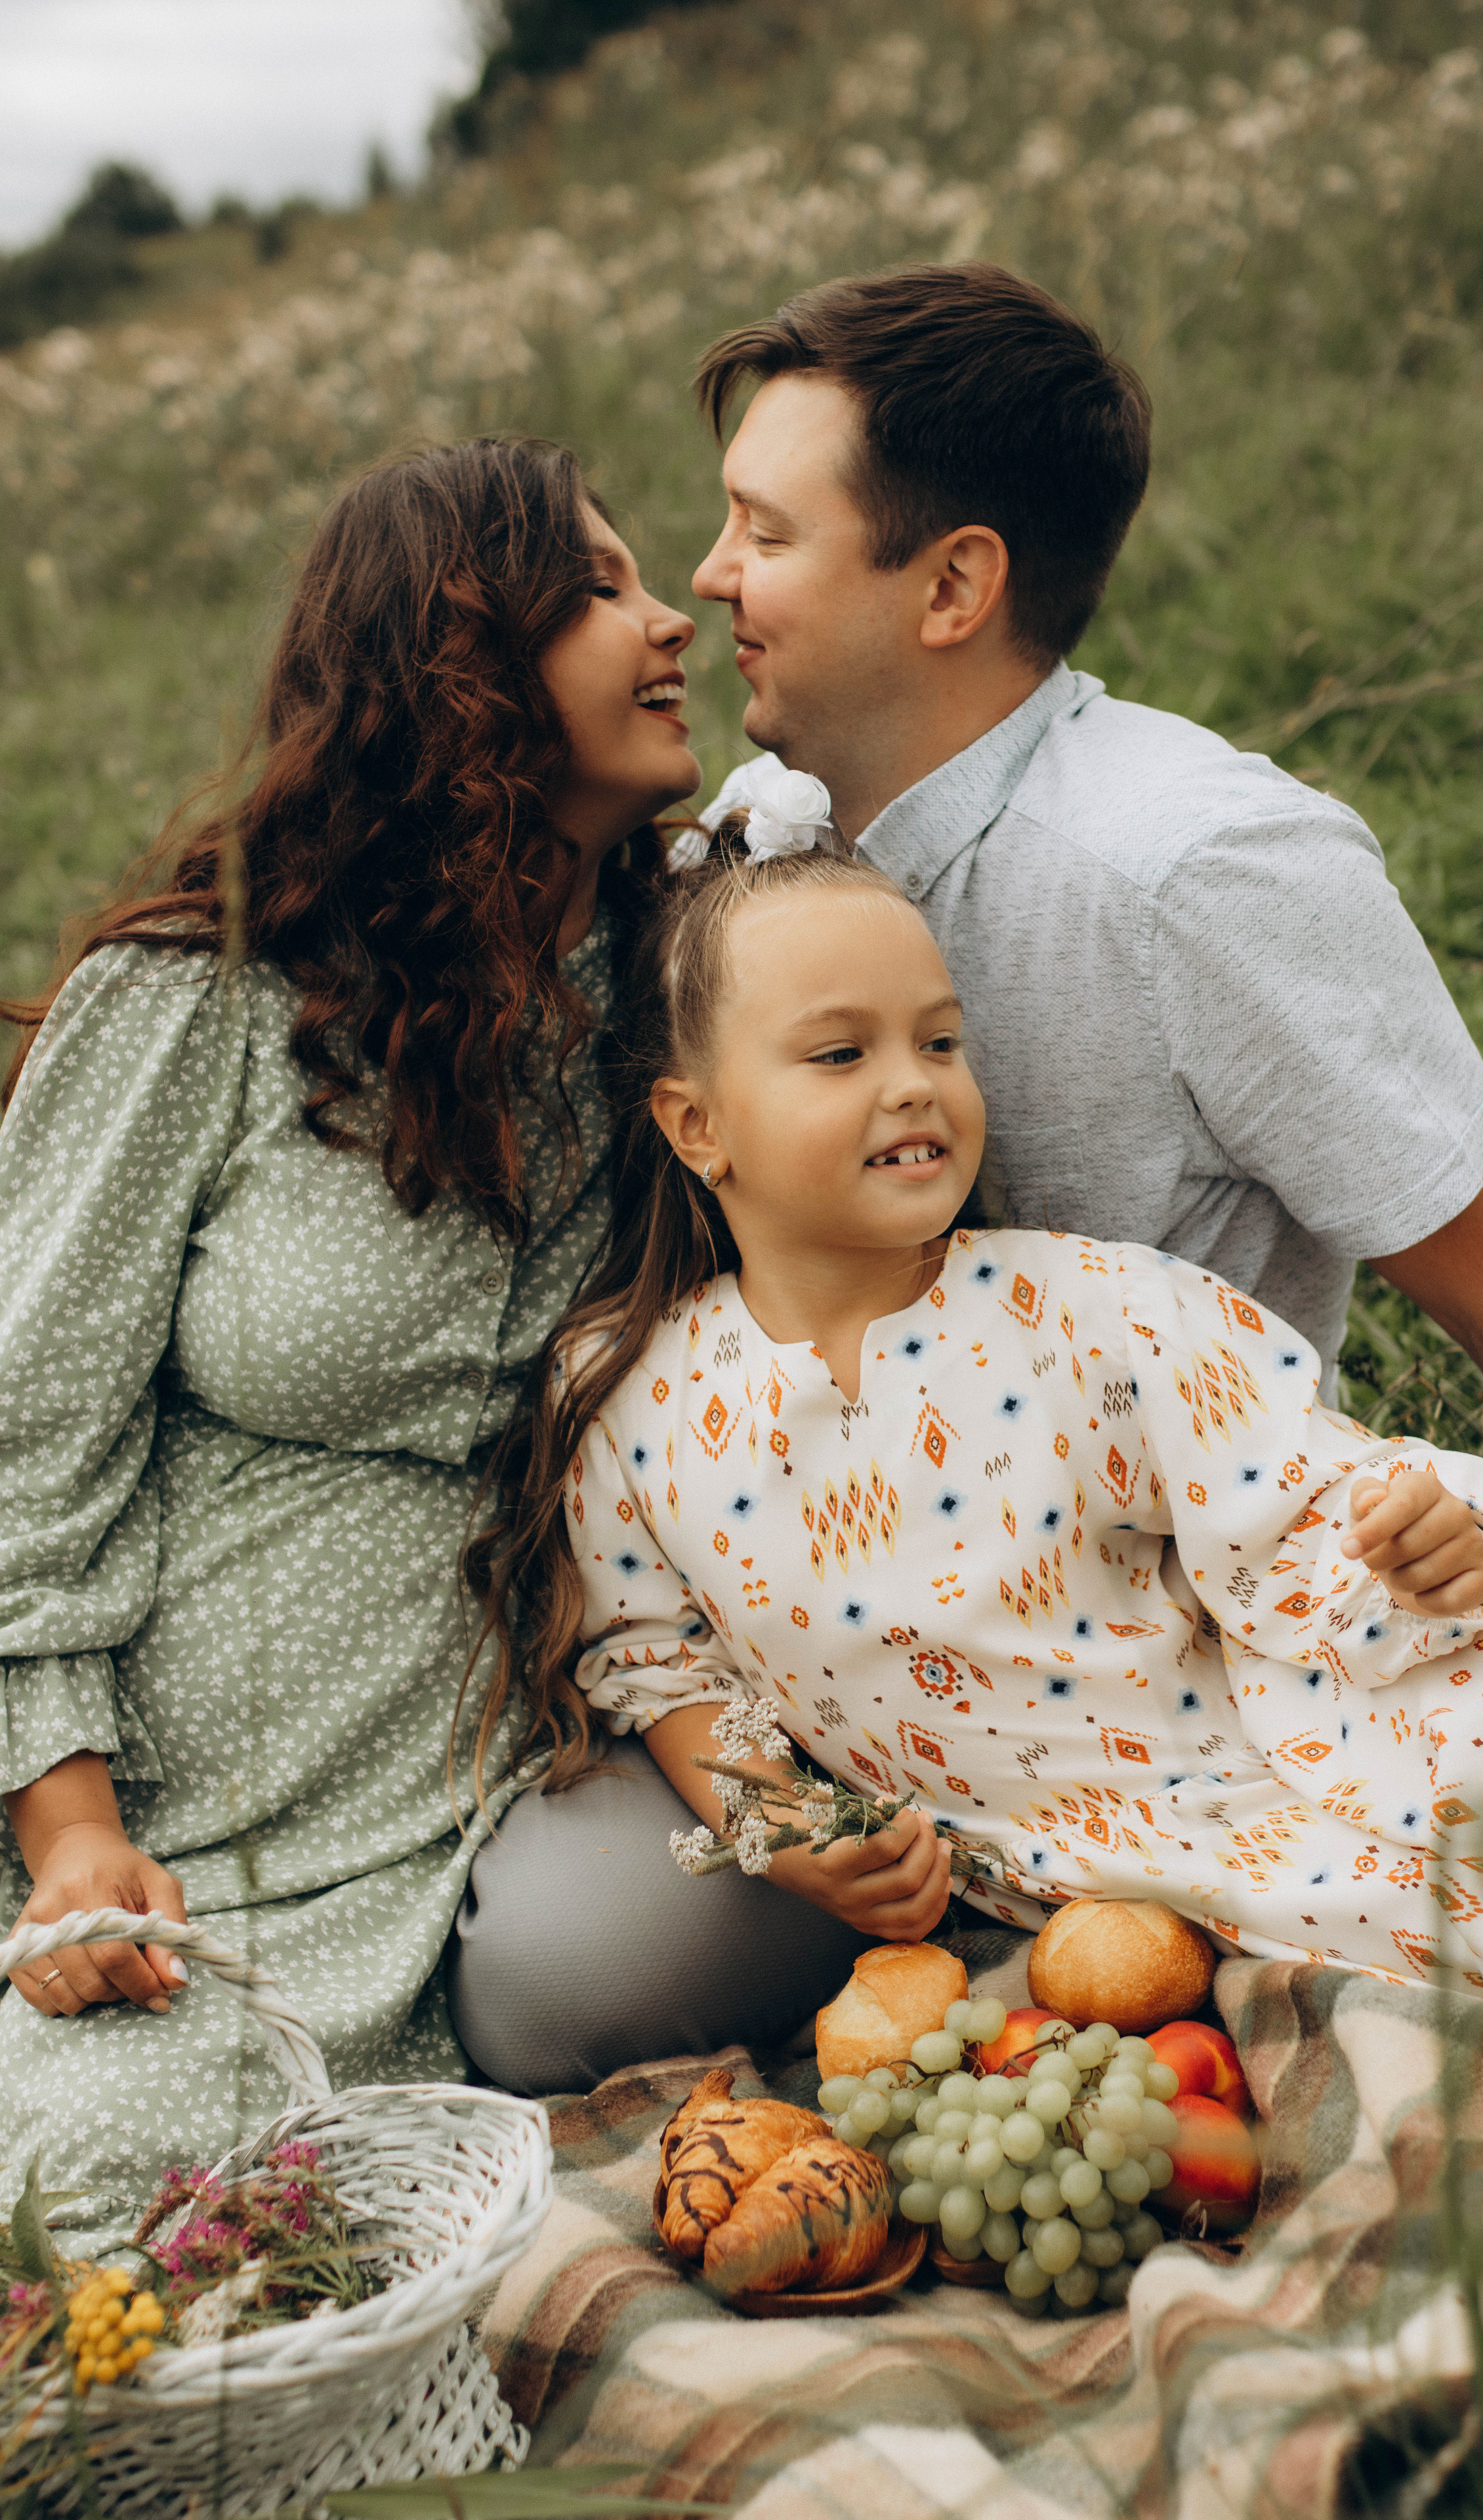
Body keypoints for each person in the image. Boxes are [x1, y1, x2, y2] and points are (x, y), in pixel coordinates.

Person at [0, 436, 859, 2250]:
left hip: (518, 1741)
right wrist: (67, 1830)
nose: (667, 626)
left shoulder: (677, 991)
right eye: (602, 591)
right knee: (94, 2176)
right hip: (179, 1766)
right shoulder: (203, 999)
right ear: (462, 667)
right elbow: (25, 1432)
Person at [507, 831, 1483, 2007]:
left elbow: (1304, 1501)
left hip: (1327, 1701)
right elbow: (662, 1666)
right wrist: (793, 1831)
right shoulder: (627, 1400)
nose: (912, 1080)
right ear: (696, 1124)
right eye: (841, 1053)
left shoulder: (1094, 1308)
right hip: (1152, 1857)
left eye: (941, 1041)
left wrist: (1424, 1540)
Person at [688, 261, 1483, 1647]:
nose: (708, 572)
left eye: (765, 532)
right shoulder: (748, 841)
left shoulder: (1196, 869)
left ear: (954, 584)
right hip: (803, 1606)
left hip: (1193, 1654)